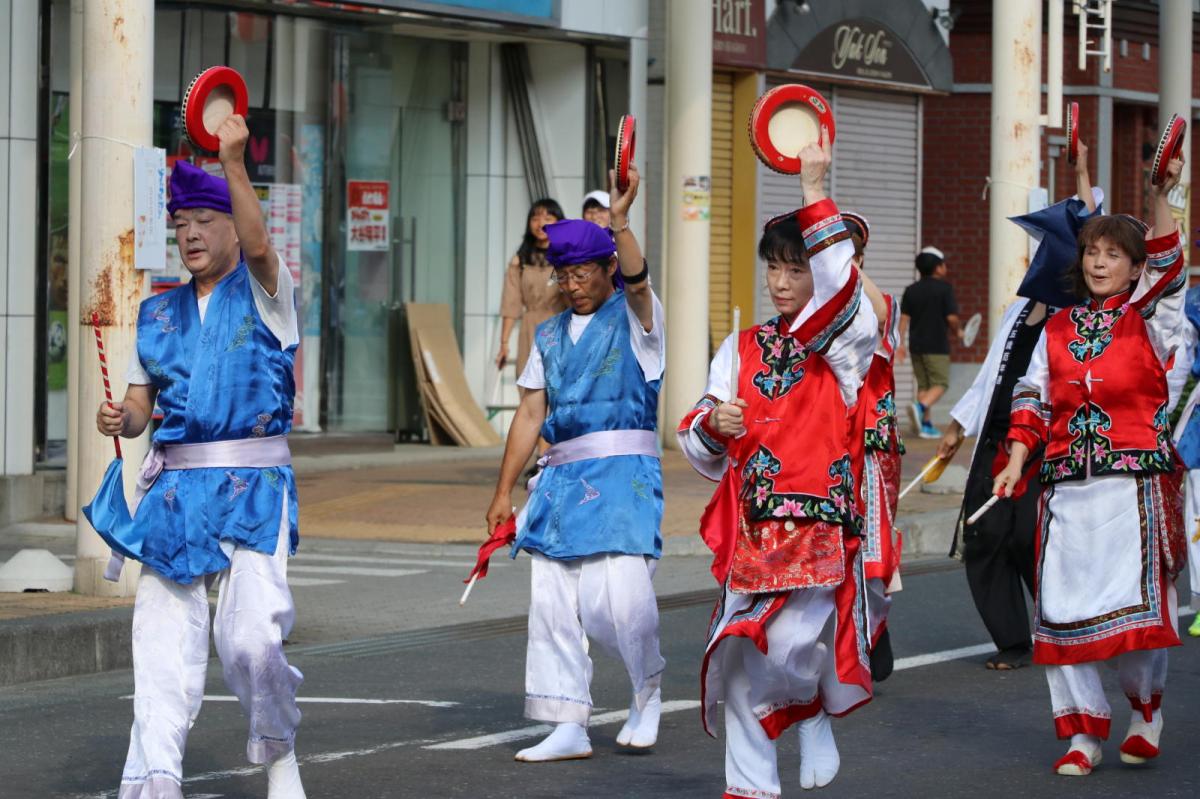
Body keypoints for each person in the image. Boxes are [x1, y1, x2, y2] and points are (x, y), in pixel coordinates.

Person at [84, 116, 306, 798]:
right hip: (176, 491)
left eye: (206, 220)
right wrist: (124, 417)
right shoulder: (156, 314)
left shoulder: (271, 295)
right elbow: (142, 402)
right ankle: (157, 779)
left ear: (234, 226)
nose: (190, 234)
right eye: (181, 222)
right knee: (157, 645)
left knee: (249, 642)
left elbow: (264, 244)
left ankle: (279, 757)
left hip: (253, 484)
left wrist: (234, 164)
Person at [677, 132, 877, 796]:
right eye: (775, 268)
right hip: (752, 533)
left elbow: (847, 298)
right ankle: (751, 788)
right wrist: (716, 422)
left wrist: (814, 191)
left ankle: (811, 702)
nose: (784, 281)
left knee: (790, 647)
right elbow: (694, 431)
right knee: (738, 657)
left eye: (797, 268)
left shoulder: (845, 345)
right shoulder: (741, 346)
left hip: (817, 528)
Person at [993, 153, 1186, 776]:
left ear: (1135, 268)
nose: (1100, 264)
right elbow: (1031, 395)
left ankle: (1145, 712)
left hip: (1132, 490)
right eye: (1092, 254)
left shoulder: (1151, 321)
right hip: (1066, 491)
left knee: (1134, 615)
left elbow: (1171, 269)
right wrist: (1016, 458)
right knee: (1060, 609)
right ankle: (1082, 734)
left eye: (1113, 255)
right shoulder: (1058, 329)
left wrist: (1161, 193)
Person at [484, 162, 666, 763]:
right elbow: (531, 414)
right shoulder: (551, 335)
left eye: (583, 269)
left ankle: (646, 688)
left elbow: (639, 282)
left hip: (623, 477)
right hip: (561, 479)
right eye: (565, 273)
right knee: (554, 602)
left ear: (608, 266)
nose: (573, 282)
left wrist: (621, 220)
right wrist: (503, 490)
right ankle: (567, 721)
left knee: (617, 604)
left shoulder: (641, 319)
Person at [941, 141, 1103, 671]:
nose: (1039, 255)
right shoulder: (1019, 310)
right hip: (995, 431)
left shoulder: (1079, 312)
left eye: (1049, 246)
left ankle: (1065, 625)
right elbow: (992, 372)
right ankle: (1013, 639)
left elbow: (1094, 226)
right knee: (984, 533)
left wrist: (1081, 175)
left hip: (1047, 441)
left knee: (1030, 536)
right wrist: (959, 426)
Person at [843, 211, 902, 682]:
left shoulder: (881, 306)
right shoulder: (803, 311)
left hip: (870, 451)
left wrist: (840, 262)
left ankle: (873, 633)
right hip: (822, 446)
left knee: (872, 558)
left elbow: (881, 314)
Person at [497, 199, 568, 380]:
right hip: (530, 329)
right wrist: (504, 343)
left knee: (559, 383)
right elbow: (511, 305)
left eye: (548, 217)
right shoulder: (519, 261)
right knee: (529, 383)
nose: (540, 223)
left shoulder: (568, 256)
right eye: (535, 218)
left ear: (559, 222)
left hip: (560, 325)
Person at [1163, 284, 1200, 638]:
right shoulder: (1194, 303)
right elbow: (1180, 364)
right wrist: (1159, 417)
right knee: (1199, 515)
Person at [899, 246, 963, 438]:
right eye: (943, 264)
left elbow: (903, 319)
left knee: (925, 386)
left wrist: (899, 344)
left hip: (916, 346)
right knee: (941, 383)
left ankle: (925, 425)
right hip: (936, 346)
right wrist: (958, 331)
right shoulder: (945, 289)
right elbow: (952, 318)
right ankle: (919, 407)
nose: (946, 268)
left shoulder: (911, 290)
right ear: (937, 268)